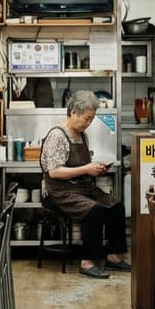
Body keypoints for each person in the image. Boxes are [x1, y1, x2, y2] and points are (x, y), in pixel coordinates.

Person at [40, 90, 129, 279]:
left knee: (116, 206)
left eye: (91, 119)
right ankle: (87, 262)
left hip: (81, 188)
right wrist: (86, 169)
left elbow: (81, 166)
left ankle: (113, 256)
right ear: (73, 112)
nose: (88, 123)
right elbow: (54, 172)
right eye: (86, 119)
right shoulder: (58, 136)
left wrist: (95, 168)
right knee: (94, 210)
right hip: (60, 191)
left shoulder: (81, 135)